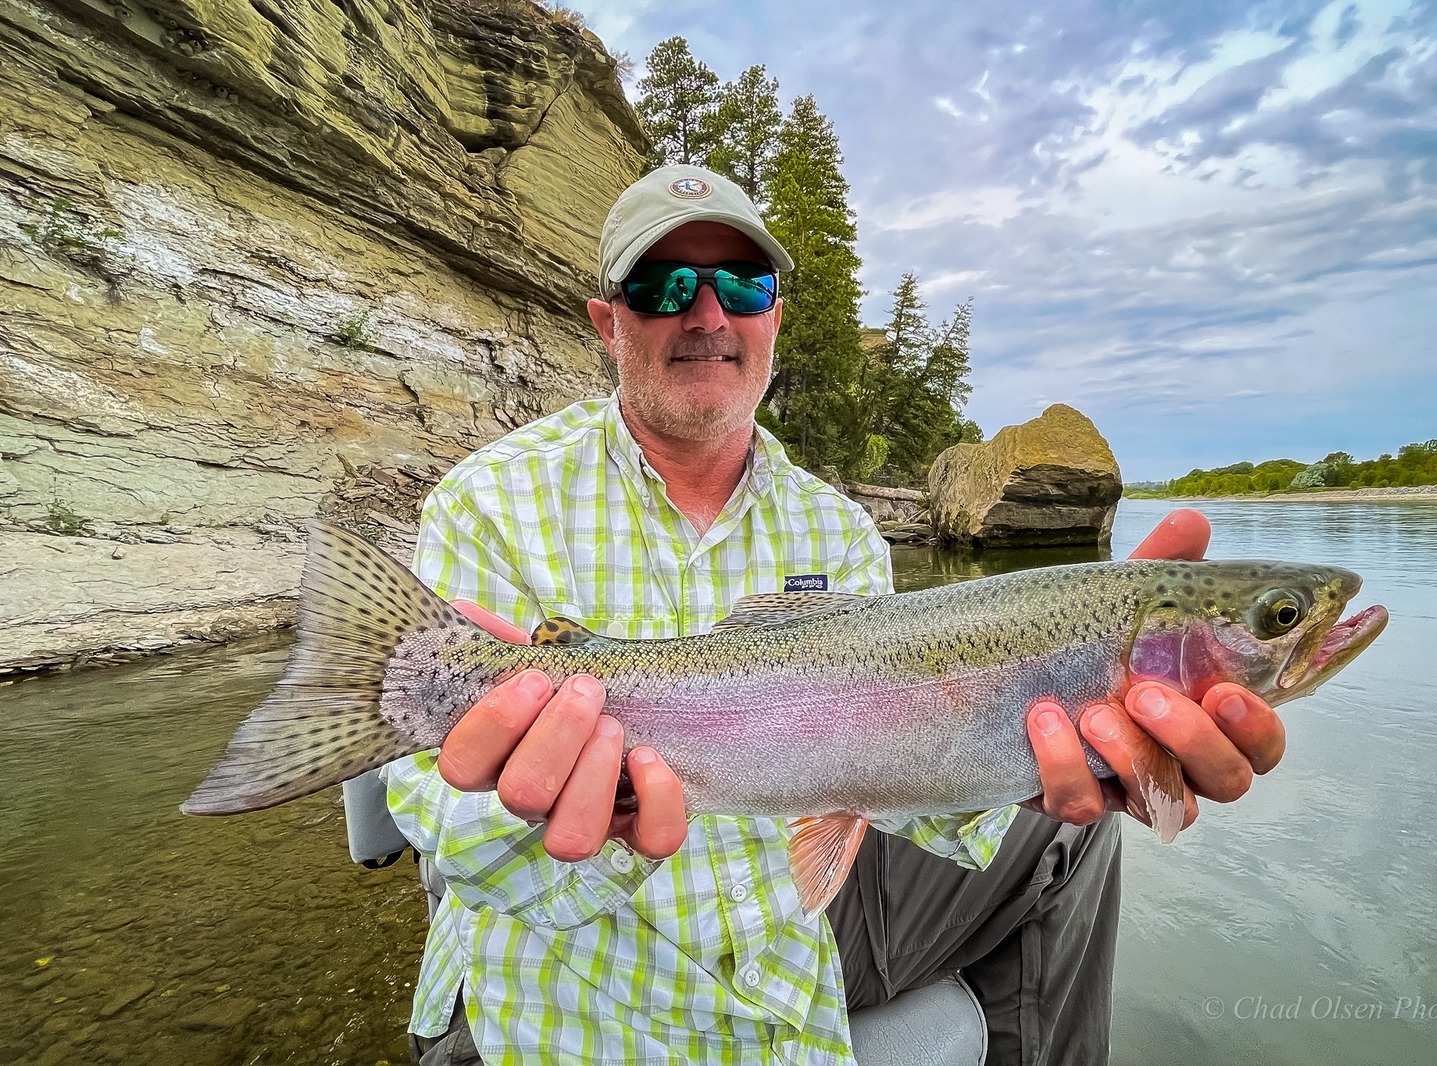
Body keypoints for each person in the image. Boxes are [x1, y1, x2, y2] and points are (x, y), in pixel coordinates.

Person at [380, 165, 1285, 1065]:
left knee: (1072, 836)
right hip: (575, 993)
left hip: (786, 961)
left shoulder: (837, 528)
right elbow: (445, 836)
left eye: (742, 284)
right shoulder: (489, 501)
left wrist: (1050, 755)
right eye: (663, 287)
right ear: (608, 322)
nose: (708, 315)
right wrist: (592, 819)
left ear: (773, 316)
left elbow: (896, 779)